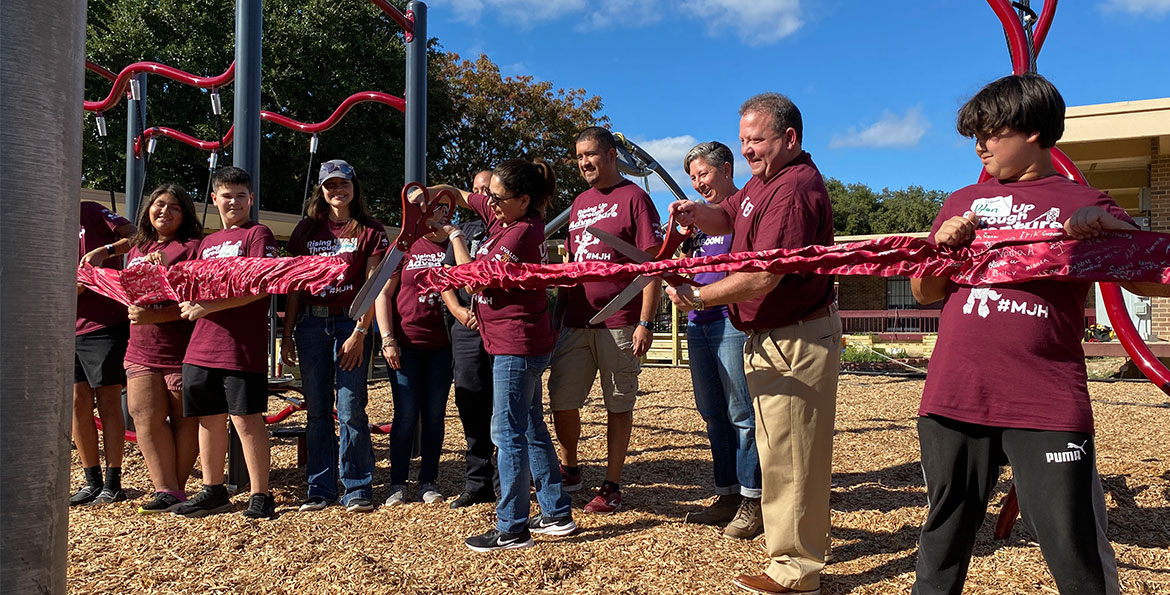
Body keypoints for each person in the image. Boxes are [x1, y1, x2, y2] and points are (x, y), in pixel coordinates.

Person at [908, 73, 1170, 595]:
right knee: (942, 541)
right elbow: (922, 292)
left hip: (1045, 402)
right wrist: (943, 244)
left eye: (991, 132)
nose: (979, 145)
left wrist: (1114, 232)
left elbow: (1151, 279)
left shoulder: (1084, 201)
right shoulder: (963, 198)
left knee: (1071, 549)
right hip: (955, 395)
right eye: (974, 135)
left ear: (1033, 131)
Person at [667, 93, 839, 594]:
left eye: (756, 140)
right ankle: (790, 554)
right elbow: (729, 217)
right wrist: (699, 213)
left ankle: (796, 570)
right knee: (778, 449)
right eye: (742, 141)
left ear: (789, 138)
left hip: (796, 336)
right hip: (774, 335)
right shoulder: (763, 184)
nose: (747, 151)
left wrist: (699, 296)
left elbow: (764, 274)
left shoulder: (793, 189)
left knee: (793, 456)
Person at [432, 158, 576, 551]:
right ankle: (555, 511)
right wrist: (429, 194)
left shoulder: (521, 234)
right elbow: (463, 196)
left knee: (507, 432)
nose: (489, 203)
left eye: (498, 198)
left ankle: (511, 525)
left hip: (517, 343)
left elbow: (474, 278)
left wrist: (455, 236)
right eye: (490, 195)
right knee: (529, 425)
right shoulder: (505, 217)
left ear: (523, 199)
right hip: (516, 341)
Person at [548, 126, 663, 514]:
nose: (584, 163)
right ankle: (570, 467)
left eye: (591, 155)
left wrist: (645, 321)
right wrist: (558, 315)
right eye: (579, 157)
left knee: (618, 402)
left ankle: (612, 484)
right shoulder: (579, 202)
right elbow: (570, 262)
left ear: (612, 155)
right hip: (577, 320)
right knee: (561, 398)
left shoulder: (636, 198)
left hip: (620, 320)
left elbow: (653, 264)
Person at [172, 166, 279, 520]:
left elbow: (260, 286)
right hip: (201, 345)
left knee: (247, 420)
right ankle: (213, 490)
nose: (233, 201)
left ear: (251, 199)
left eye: (240, 195)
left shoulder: (258, 234)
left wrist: (207, 306)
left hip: (240, 347)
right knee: (208, 419)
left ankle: (261, 493)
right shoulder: (205, 243)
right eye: (226, 195)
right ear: (214, 199)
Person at [281, 160, 388, 514]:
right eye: (330, 186)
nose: (337, 191)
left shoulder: (369, 231)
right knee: (316, 411)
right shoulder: (307, 231)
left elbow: (373, 286)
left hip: (349, 324)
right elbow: (294, 286)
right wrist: (287, 334)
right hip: (311, 325)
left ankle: (357, 486)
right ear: (322, 191)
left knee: (351, 406)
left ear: (354, 188)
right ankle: (320, 486)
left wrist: (360, 332)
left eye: (343, 184)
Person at [678, 142, 762, 539]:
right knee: (712, 412)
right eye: (693, 178)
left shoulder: (740, 214)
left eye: (704, 174)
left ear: (726, 169)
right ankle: (726, 493)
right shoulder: (698, 224)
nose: (698, 184)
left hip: (730, 318)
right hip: (698, 320)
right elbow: (686, 270)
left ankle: (753, 499)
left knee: (741, 413)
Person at [123, 184, 203, 514]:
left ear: (184, 215)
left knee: (185, 419)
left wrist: (154, 312)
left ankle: (177, 488)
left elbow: (195, 302)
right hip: (140, 348)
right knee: (144, 415)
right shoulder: (137, 248)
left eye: (174, 207)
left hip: (181, 348)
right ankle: (165, 488)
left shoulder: (192, 247)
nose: (164, 212)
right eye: (158, 205)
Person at [375, 189, 455, 507]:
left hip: (442, 347)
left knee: (434, 415)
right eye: (433, 209)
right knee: (406, 414)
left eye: (445, 210)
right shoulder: (405, 246)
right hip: (405, 345)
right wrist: (387, 339)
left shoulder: (456, 245)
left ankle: (428, 481)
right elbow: (383, 294)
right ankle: (397, 483)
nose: (439, 215)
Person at [72, 201, 136, 506]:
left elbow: (136, 235)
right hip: (64, 325)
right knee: (76, 403)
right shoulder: (39, 215)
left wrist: (105, 251)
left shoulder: (90, 210)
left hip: (103, 322)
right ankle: (91, 480)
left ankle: (113, 481)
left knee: (108, 400)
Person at [443, 169, 499, 509]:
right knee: (470, 401)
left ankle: (506, 480)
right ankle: (478, 481)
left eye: (487, 191)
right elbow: (448, 278)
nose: (481, 197)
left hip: (498, 324)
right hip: (466, 327)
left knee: (503, 405)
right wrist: (459, 312)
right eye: (475, 190)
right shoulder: (464, 231)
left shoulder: (507, 229)